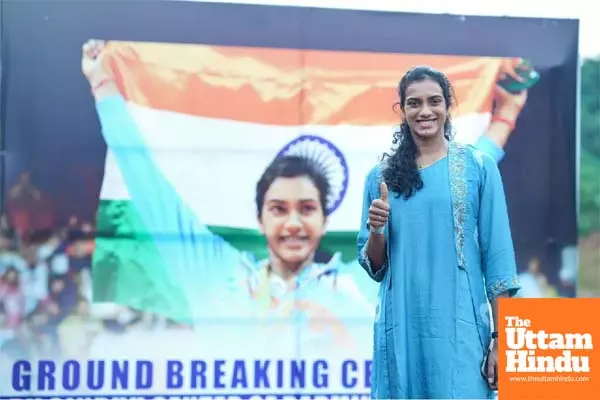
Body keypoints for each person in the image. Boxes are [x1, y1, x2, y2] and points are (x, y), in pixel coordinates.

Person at [81, 40, 374, 354]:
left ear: (324, 220)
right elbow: (147, 182)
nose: (293, 223)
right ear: (260, 219)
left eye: (306, 208)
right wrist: (103, 84)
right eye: (278, 209)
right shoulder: (216, 277)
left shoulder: (360, 285)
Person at [357, 66, 520, 399]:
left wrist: (502, 342)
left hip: (460, 331)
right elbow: (376, 267)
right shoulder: (381, 177)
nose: (425, 111)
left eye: (434, 101)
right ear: (402, 110)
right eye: (414, 103)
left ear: (448, 106)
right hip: (401, 328)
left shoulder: (478, 167)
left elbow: (499, 263)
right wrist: (376, 230)